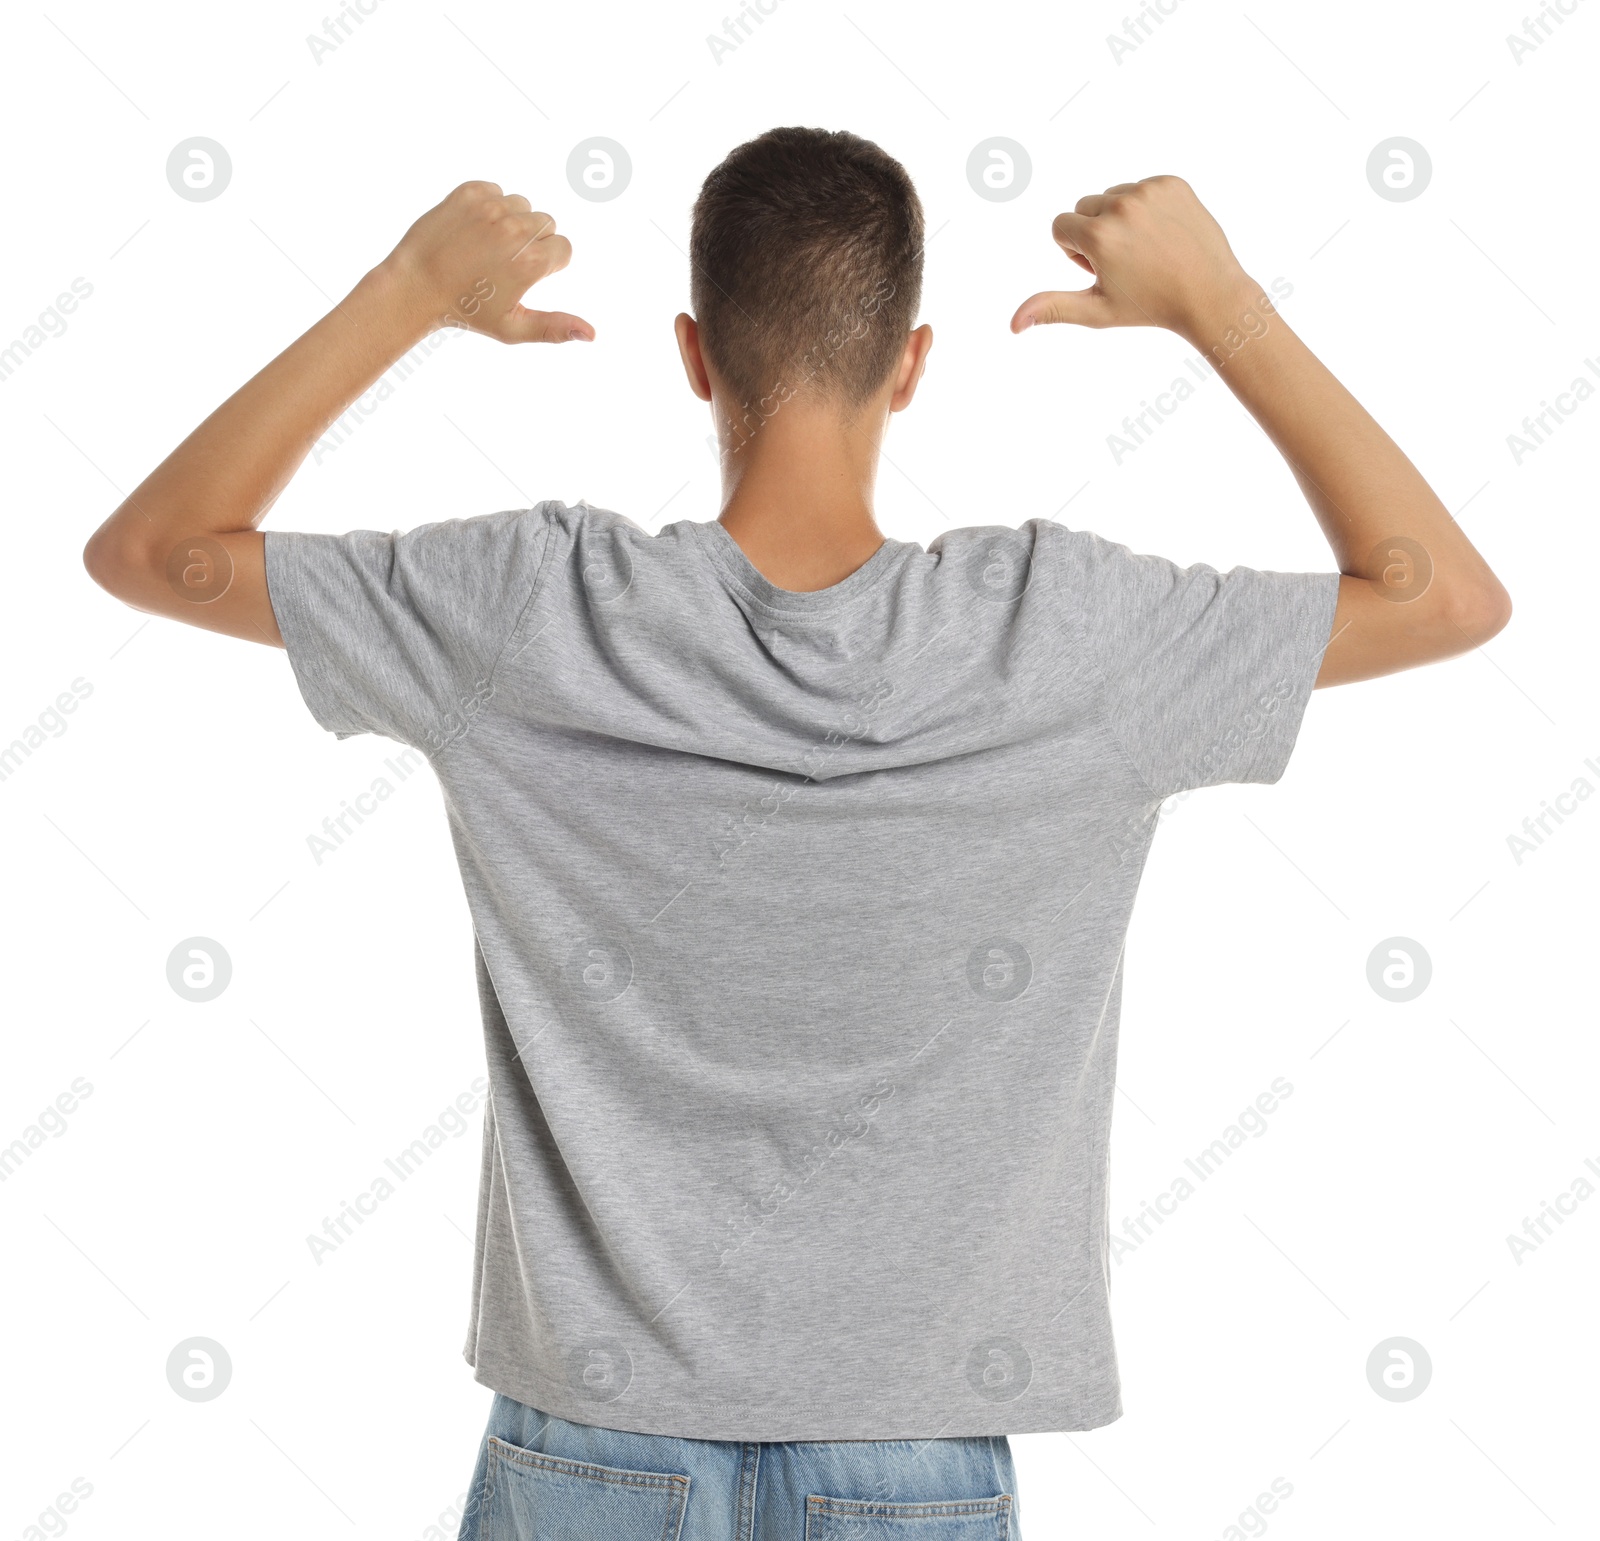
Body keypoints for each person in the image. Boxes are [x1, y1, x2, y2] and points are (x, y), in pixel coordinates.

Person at [83, 127, 1509, 1540]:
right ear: (912, 360)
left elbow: (154, 550)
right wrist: (1219, 304)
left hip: (592, 1450)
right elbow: (1444, 599)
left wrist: (408, 288)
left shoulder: (530, 612)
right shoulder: (1068, 637)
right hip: (913, 1461)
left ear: (696, 356)